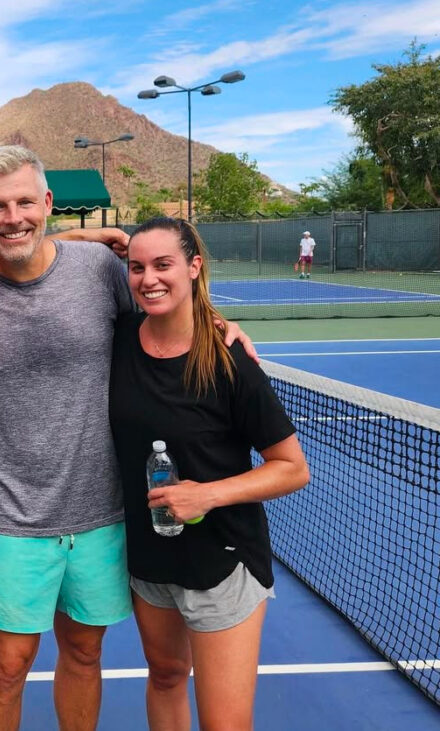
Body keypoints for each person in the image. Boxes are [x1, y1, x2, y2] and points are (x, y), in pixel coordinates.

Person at [0, 145, 134, 731]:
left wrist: (223, 326)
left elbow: (164, 324)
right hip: (10, 518)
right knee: (8, 664)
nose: (13, 216)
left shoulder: (100, 272)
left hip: (103, 510)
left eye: (25, 201)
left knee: (84, 651)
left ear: (48, 203)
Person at [108, 216, 309, 730]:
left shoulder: (230, 360)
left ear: (194, 267)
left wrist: (209, 495)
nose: (148, 278)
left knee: (224, 722)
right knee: (167, 676)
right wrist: (86, 235)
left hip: (222, 563)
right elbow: (36, 260)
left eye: (163, 264)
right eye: (136, 267)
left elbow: (292, 469)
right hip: (149, 559)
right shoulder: (119, 340)